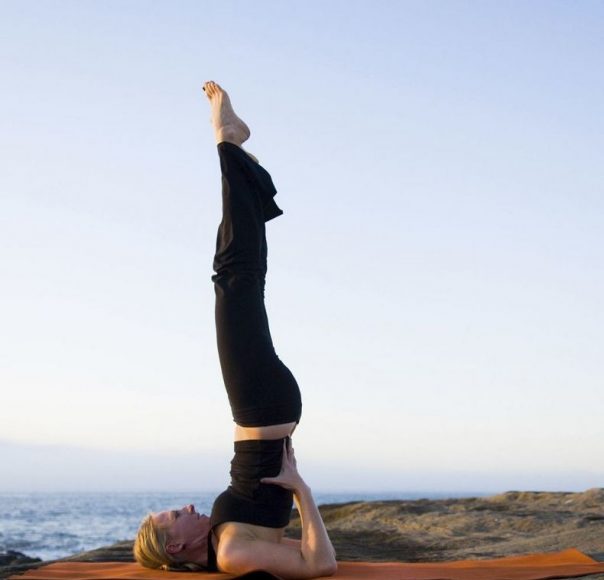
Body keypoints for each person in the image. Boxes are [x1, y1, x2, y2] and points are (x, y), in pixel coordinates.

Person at [133, 81, 337, 580]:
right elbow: (322, 565)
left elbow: (293, 548)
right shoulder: (230, 554)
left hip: (262, 409)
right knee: (233, 280)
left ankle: (239, 158)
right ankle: (229, 143)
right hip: (260, 406)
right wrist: (301, 490)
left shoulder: (224, 543)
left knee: (240, 282)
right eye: (176, 515)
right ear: (176, 545)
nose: (186, 506)